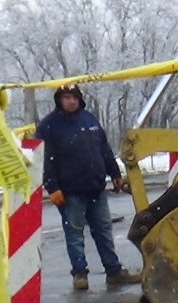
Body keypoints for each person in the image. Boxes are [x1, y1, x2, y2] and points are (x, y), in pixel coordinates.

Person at [35, 83, 130, 290]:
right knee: (75, 234)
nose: (72, 101)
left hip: (95, 187)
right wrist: (52, 187)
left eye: (75, 97)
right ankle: (80, 274)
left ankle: (113, 271)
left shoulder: (89, 119)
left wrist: (115, 173)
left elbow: (104, 149)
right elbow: (44, 160)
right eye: (67, 97)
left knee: (104, 229)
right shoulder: (49, 126)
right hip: (70, 192)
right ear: (59, 100)